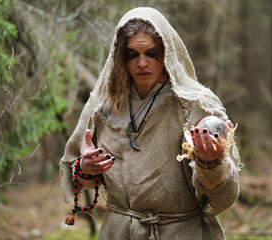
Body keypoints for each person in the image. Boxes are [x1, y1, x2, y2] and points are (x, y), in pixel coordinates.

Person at [60, 7, 241, 240]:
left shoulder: (196, 104)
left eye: (151, 53)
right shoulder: (103, 106)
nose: (142, 63)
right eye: (133, 54)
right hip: (118, 232)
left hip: (181, 232)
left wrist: (212, 164)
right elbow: (77, 176)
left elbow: (225, 197)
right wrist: (85, 169)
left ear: (165, 52)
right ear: (120, 57)